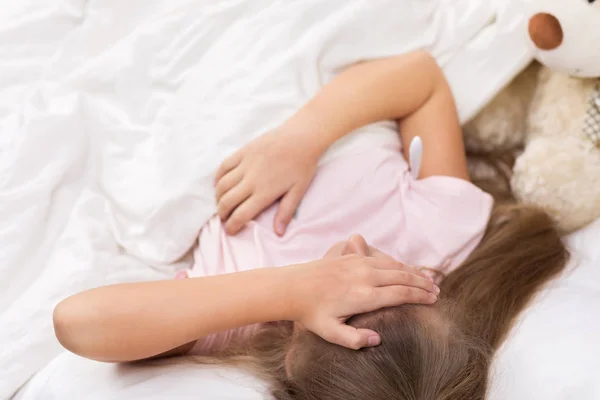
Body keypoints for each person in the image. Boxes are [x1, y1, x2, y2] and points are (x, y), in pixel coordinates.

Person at [52, 51, 569, 399]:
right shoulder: (442, 232)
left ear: (293, 351)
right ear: (439, 297)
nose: (356, 249)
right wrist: (304, 137)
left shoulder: (246, 316)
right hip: (293, 71)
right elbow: (421, 77)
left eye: (346, 299)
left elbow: (77, 322)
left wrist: (292, 288)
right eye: (396, 285)